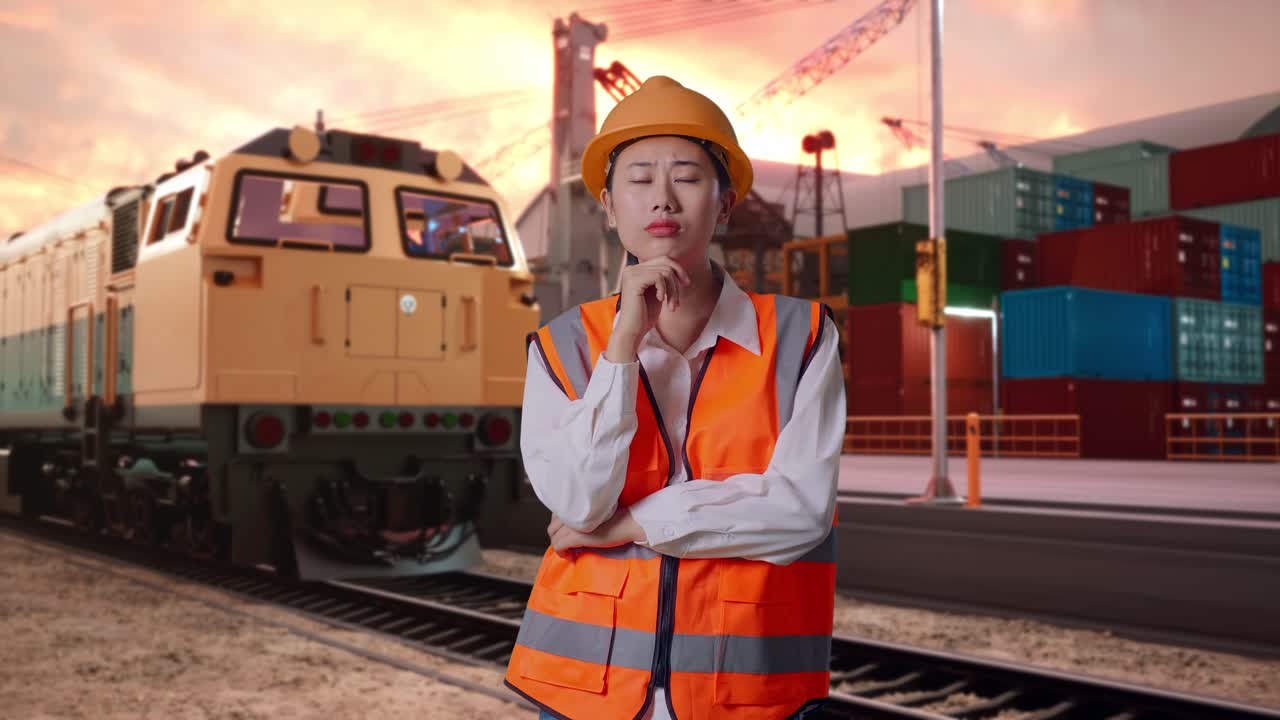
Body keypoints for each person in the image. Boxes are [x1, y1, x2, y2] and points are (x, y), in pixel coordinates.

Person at [505, 76, 845, 720]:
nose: (661, 196)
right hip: (582, 690)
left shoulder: (801, 337)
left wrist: (631, 525)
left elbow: (801, 510)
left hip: (744, 689)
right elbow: (579, 500)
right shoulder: (563, 346)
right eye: (638, 179)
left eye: (687, 175)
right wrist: (622, 348)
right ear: (607, 206)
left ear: (724, 204)